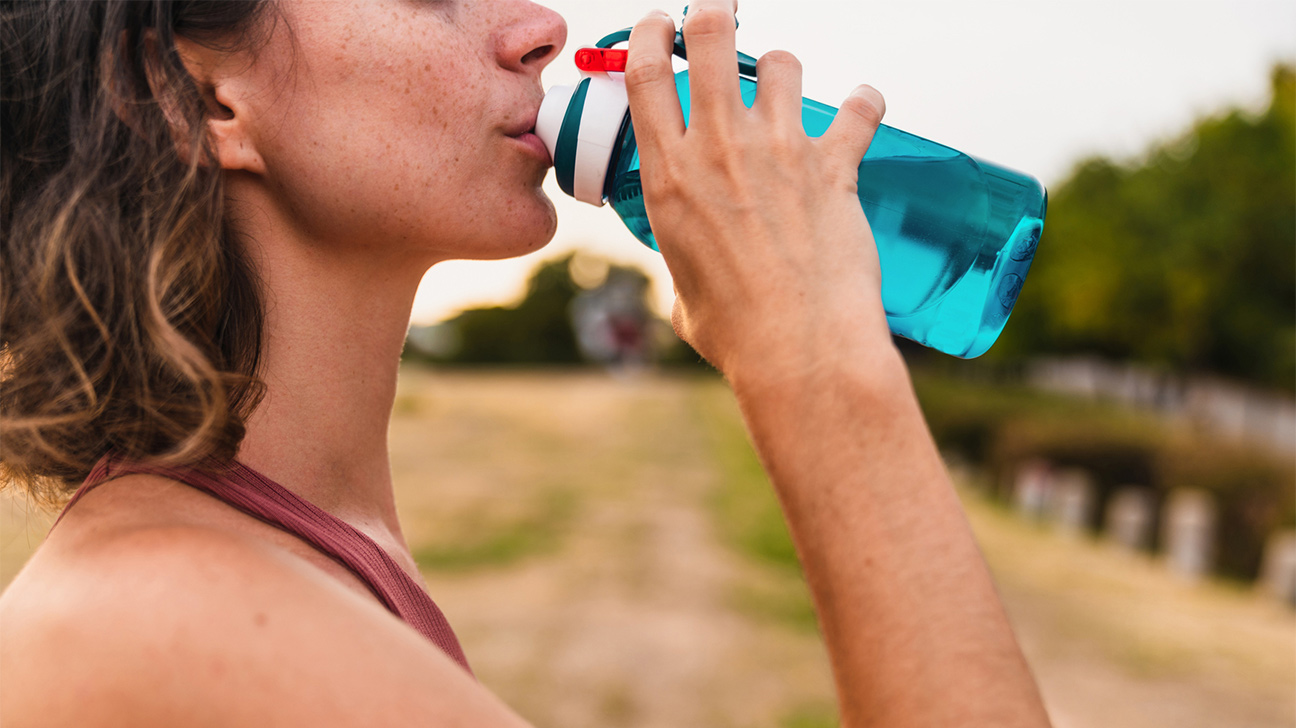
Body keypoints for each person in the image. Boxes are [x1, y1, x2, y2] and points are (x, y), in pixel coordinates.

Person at [0, 0, 1053, 725]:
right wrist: (813, 359)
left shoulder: (284, 543)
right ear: (201, 101)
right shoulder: (168, 613)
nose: (541, 28)